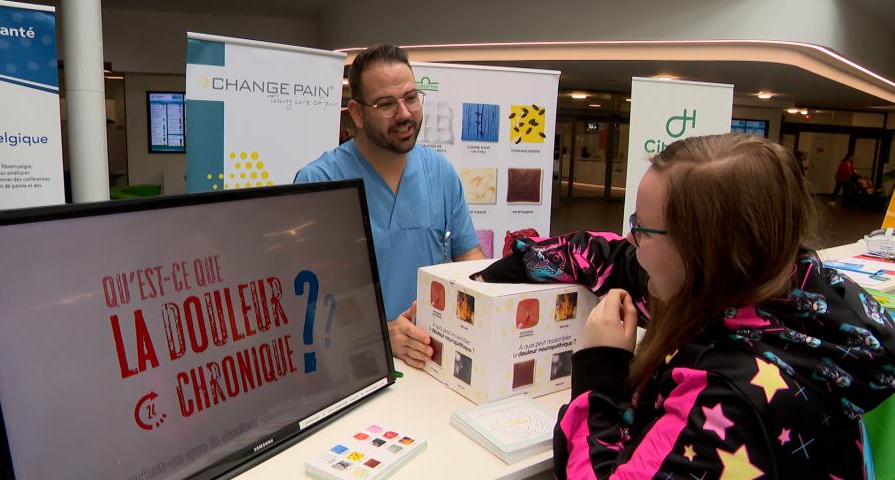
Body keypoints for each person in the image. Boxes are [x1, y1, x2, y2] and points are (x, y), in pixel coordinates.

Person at [477, 134, 894, 478]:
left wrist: (599, 373)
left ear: (699, 249)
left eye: (642, 228)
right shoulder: (800, 295)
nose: (631, 237)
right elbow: (611, 257)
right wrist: (493, 274)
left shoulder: (725, 401)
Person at [295, 45, 484, 369]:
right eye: (386, 104)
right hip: (352, 367)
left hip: (432, 360)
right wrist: (382, 335)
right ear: (357, 113)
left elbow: (468, 258)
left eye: (411, 98)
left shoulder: (439, 172)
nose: (405, 114)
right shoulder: (320, 182)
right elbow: (305, 302)